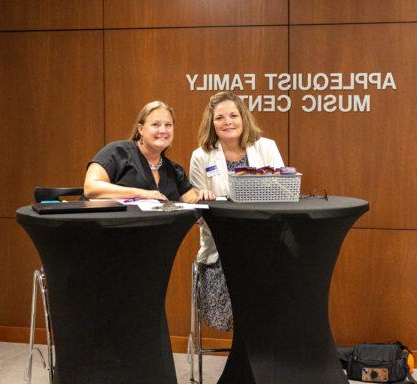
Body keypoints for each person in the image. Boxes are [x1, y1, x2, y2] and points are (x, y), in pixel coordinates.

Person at [189, 91, 284, 330]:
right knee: (235, 310)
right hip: (221, 248)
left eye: (233, 115)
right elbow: (197, 210)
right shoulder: (201, 156)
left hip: (263, 243)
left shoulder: (266, 147)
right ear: (212, 123)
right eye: (220, 117)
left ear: (243, 118)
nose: (228, 122)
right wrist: (202, 197)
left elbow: (283, 192)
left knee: (272, 299)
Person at [84, 100, 211, 202]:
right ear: (141, 129)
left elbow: (191, 200)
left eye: (168, 125)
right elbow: (91, 187)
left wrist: (203, 195)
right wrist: (141, 194)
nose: (163, 130)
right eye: (155, 125)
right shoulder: (117, 152)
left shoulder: (174, 170)